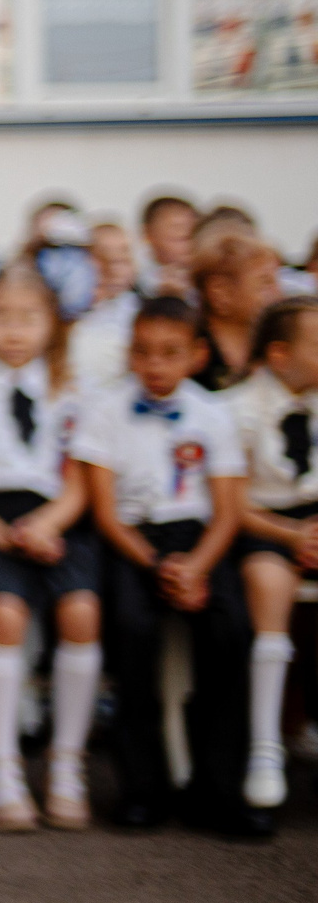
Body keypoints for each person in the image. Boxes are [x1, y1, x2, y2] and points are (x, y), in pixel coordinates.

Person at [0, 251, 106, 831]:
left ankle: (65, 764)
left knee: (81, 611)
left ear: (53, 322)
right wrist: (1, 533)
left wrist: (48, 525)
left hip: (56, 517)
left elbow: (82, 480)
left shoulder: (71, 389)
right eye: (0, 316)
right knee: (3, 614)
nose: (13, 329)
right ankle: (2, 765)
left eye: (28, 316)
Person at [75, 297, 257, 836]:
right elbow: (105, 513)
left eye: (170, 353)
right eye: (143, 352)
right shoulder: (105, 411)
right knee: (132, 630)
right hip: (134, 540)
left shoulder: (213, 414)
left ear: (197, 356)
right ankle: (142, 788)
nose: (155, 365)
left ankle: (219, 790)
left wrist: (196, 567)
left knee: (231, 632)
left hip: (200, 540)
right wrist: (157, 565)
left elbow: (227, 512)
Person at [227, 296, 318, 815]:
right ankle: (266, 745)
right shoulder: (240, 408)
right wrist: (290, 536)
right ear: (280, 355)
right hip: (264, 522)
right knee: (268, 583)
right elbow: (234, 502)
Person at [192, 231, 283, 393]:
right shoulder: (190, 352)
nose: (278, 294)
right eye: (265, 283)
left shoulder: (276, 348)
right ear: (220, 291)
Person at [72, 219, 142, 392]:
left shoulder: (140, 312)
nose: (114, 267)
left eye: (123, 258)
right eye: (103, 256)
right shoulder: (67, 311)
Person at [138, 194, 200, 297]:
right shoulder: (134, 283)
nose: (189, 239)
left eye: (195, 231)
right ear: (148, 234)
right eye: (178, 230)